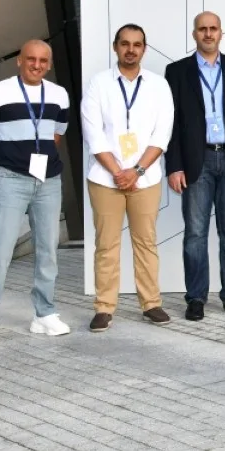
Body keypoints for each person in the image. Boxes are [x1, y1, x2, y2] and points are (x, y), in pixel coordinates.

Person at [0, 40, 72, 347]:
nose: (36, 65)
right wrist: (5, 169)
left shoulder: (58, 95)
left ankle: (44, 314)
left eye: (42, 61)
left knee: (48, 250)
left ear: (48, 64)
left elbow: (55, 137)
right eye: (30, 59)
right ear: (19, 61)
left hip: (48, 182)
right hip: (10, 180)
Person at [80, 24, 175, 331]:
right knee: (106, 245)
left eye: (137, 44)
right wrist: (117, 172)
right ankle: (104, 307)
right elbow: (93, 134)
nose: (131, 49)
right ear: (115, 47)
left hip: (145, 179)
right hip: (105, 179)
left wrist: (136, 171)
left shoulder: (159, 85)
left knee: (145, 242)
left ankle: (151, 304)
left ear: (144, 49)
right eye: (125, 44)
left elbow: (162, 133)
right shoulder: (98, 84)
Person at [165, 11, 225, 322]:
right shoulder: (176, 72)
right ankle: (196, 298)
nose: (208, 34)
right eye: (202, 29)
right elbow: (170, 124)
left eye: (213, 28)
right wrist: (173, 166)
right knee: (195, 233)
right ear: (194, 34)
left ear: (221, 33)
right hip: (195, 160)